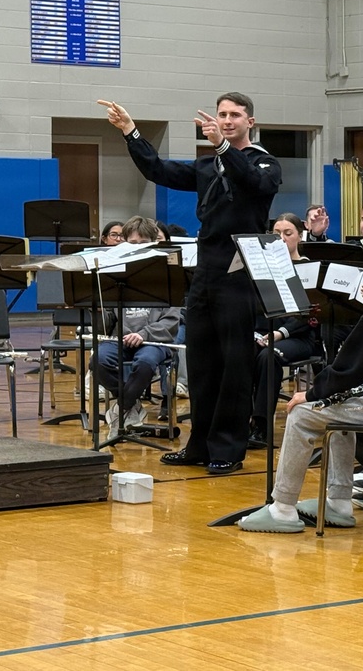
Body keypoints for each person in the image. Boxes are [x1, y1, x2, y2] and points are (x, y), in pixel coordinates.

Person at [98, 93, 282, 475]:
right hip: (205, 272)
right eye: (222, 115)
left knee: (234, 365)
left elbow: (252, 184)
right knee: (200, 364)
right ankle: (199, 444)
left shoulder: (264, 162)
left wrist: (222, 145)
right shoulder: (207, 164)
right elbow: (158, 170)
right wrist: (131, 132)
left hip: (239, 270)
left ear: (251, 121)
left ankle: (229, 448)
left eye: (235, 115)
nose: (227, 120)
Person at [237, 222, 363, 533]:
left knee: (302, 414)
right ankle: (338, 501)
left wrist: (308, 394)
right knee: (337, 406)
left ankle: (281, 508)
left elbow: (351, 366)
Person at [92, 216, 181, 439]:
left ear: (154, 243)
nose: (137, 249)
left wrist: (143, 334)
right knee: (98, 360)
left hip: (154, 341)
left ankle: (122, 408)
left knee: (145, 362)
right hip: (120, 339)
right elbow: (107, 324)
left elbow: (171, 322)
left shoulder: (169, 274)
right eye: (132, 244)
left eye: (143, 244)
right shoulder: (116, 272)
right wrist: (100, 310)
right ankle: (131, 405)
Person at [249, 214, 322, 448]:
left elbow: (309, 315)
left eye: (287, 233)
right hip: (264, 333)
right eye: (275, 233)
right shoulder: (262, 268)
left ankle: (261, 427)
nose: (280, 239)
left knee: (268, 357)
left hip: (300, 337)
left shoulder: (308, 267)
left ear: (300, 236)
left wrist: (279, 333)